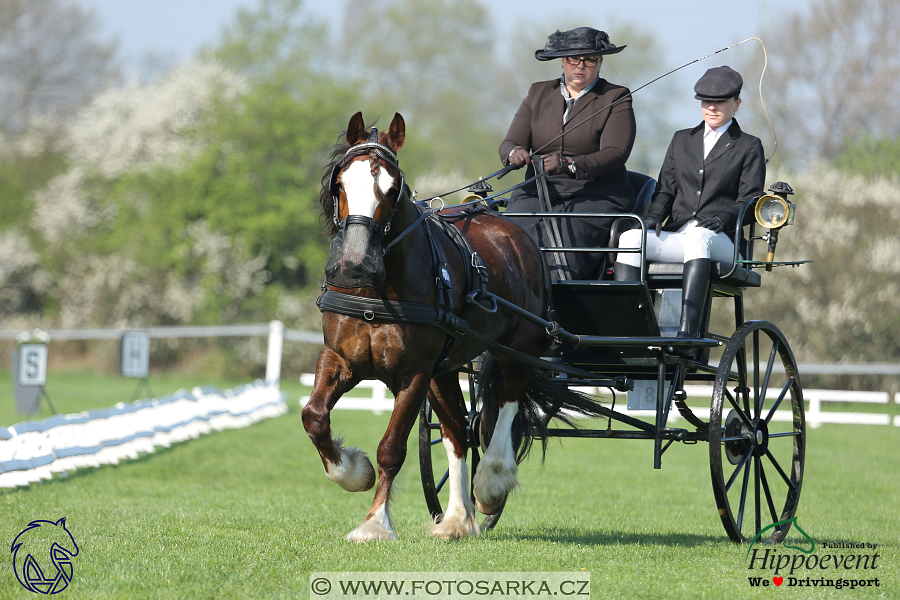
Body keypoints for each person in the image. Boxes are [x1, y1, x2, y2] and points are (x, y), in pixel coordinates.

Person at [614, 66, 765, 338]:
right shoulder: (681, 139)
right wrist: (653, 218)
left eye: (720, 102)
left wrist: (721, 219)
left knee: (699, 236)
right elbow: (665, 191)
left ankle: (687, 331)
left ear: (737, 104)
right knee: (630, 239)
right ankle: (630, 328)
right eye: (706, 102)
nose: (712, 108)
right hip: (681, 234)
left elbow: (750, 200)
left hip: (723, 241)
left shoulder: (748, 146)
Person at [499, 27, 636, 281]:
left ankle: (563, 306)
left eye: (589, 60)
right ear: (563, 61)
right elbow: (510, 141)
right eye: (573, 59)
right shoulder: (538, 93)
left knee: (565, 241)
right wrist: (514, 152)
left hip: (595, 193)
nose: (580, 66)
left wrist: (569, 164)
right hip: (538, 190)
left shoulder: (616, 97)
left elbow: (616, 153)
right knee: (510, 236)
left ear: (600, 62)